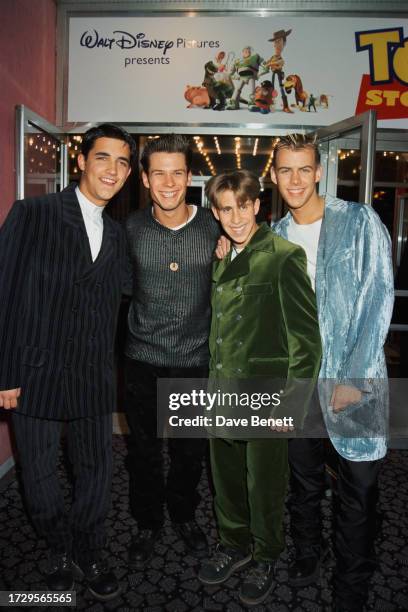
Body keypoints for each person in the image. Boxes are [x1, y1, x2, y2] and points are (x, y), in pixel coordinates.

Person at [0, 124, 136, 600]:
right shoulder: (32, 214)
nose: (113, 170)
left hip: (94, 375)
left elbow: (134, 293)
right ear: (81, 161)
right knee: (36, 473)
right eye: (103, 158)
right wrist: (5, 374)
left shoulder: (119, 234)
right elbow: (4, 295)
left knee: (96, 470)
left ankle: (88, 548)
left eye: (122, 162)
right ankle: (56, 546)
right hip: (33, 371)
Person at [270, 133, 394, 612]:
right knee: (302, 480)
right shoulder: (275, 236)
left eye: (304, 169)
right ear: (274, 174)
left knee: (358, 489)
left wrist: (355, 377)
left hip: (355, 381)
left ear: (319, 170)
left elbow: (379, 296)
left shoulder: (359, 221)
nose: (295, 180)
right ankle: (307, 552)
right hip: (299, 385)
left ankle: (352, 581)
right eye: (286, 170)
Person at [198, 170, 322, 606]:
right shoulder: (221, 256)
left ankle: (266, 555)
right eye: (225, 209)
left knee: (264, 487)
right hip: (221, 391)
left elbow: (307, 344)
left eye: (242, 207)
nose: (235, 217)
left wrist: (291, 405)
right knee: (226, 481)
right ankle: (233, 546)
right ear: (215, 212)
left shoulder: (283, 256)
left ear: (257, 206)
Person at [124, 134, 220, 568]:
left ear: (189, 176)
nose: (168, 182)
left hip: (194, 361)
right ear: (144, 179)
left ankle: (183, 515)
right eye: (158, 173)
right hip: (141, 358)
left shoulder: (215, 227)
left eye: (177, 173)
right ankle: (147, 522)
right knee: (142, 450)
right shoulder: (129, 229)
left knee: (188, 451)